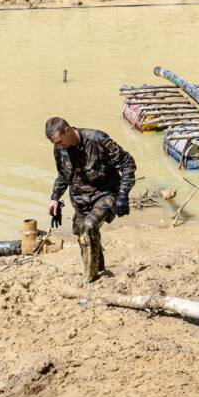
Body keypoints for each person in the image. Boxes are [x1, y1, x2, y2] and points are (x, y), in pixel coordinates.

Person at [45, 117, 136, 282]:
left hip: (106, 193)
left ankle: (90, 279)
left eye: (59, 142)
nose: (58, 146)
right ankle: (99, 269)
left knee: (89, 226)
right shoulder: (59, 149)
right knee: (83, 235)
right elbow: (63, 175)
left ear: (68, 130)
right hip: (80, 199)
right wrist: (55, 199)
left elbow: (127, 163)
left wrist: (123, 194)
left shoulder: (97, 140)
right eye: (55, 144)